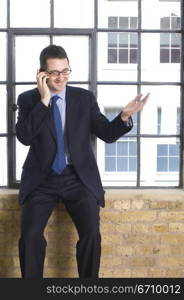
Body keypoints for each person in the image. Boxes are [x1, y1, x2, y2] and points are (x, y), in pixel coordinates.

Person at [16, 44, 149, 278]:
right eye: (55, 72)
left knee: (91, 235)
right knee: (30, 236)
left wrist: (124, 116)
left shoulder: (84, 99)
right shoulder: (28, 100)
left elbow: (106, 134)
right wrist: (44, 100)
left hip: (77, 178)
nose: (61, 77)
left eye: (65, 71)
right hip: (41, 180)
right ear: (42, 74)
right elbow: (25, 137)